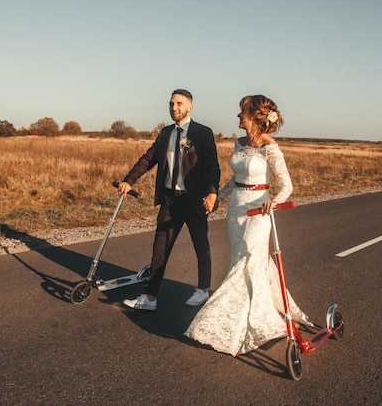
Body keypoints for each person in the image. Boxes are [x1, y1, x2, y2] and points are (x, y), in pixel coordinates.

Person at [184, 94, 312, 356]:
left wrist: (273, 203)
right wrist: (217, 198)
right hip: (236, 211)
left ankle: (222, 321)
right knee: (239, 262)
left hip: (259, 211)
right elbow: (235, 179)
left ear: (255, 116)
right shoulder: (239, 143)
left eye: (242, 112)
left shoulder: (270, 147)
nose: (238, 116)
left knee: (248, 262)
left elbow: (287, 185)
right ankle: (251, 310)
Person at [118, 89, 221, 311]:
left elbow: (213, 166)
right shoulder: (165, 133)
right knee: (160, 250)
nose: (174, 107)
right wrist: (129, 181)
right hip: (170, 202)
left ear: (190, 107)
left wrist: (212, 191)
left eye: (179, 103)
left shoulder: (202, 133)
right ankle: (151, 298)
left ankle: (203, 289)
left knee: (201, 246)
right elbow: (148, 159)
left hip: (194, 201)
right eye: (172, 103)